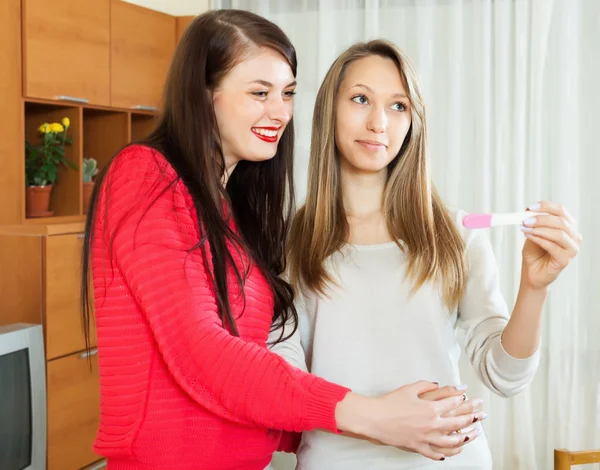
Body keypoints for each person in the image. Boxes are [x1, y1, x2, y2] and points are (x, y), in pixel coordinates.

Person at [79, 11, 484, 470]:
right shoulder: (145, 175)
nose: (281, 112)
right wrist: (372, 416)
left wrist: (401, 415)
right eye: (259, 93)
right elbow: (203, 354)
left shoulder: (233, 213)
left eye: (288, 93)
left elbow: (260, 370)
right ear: (203, 93)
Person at [270, 39, 582, 469]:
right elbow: (281, 385)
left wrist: (534, 286)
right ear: (329, 111)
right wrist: (383, 421)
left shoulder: (457, 235)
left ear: (414, 122)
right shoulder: (287, 244)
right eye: (361, 99)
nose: (379, 122)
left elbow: (505, 377)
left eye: (398, 106)